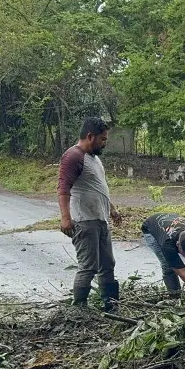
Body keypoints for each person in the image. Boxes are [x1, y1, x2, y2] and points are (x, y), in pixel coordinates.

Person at [57, 117, 123, 311]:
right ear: (89, 136)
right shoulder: (73, 156)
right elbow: (63, 189)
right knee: (88, 267)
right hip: (85, 221)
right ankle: (79, 309)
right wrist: (66, 218)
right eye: (102, 139)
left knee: (107, 264)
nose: (104, 143)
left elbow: (99, 187)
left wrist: (112, 209)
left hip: (100, 219)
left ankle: (110, 305)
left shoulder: (94, 158)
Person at [141, 213, 185, 297]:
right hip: (151, 228)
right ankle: (175, 295)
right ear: (177, 245)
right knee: (168, 267)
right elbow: (182, 273)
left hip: (174, 221)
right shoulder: (168, 245)